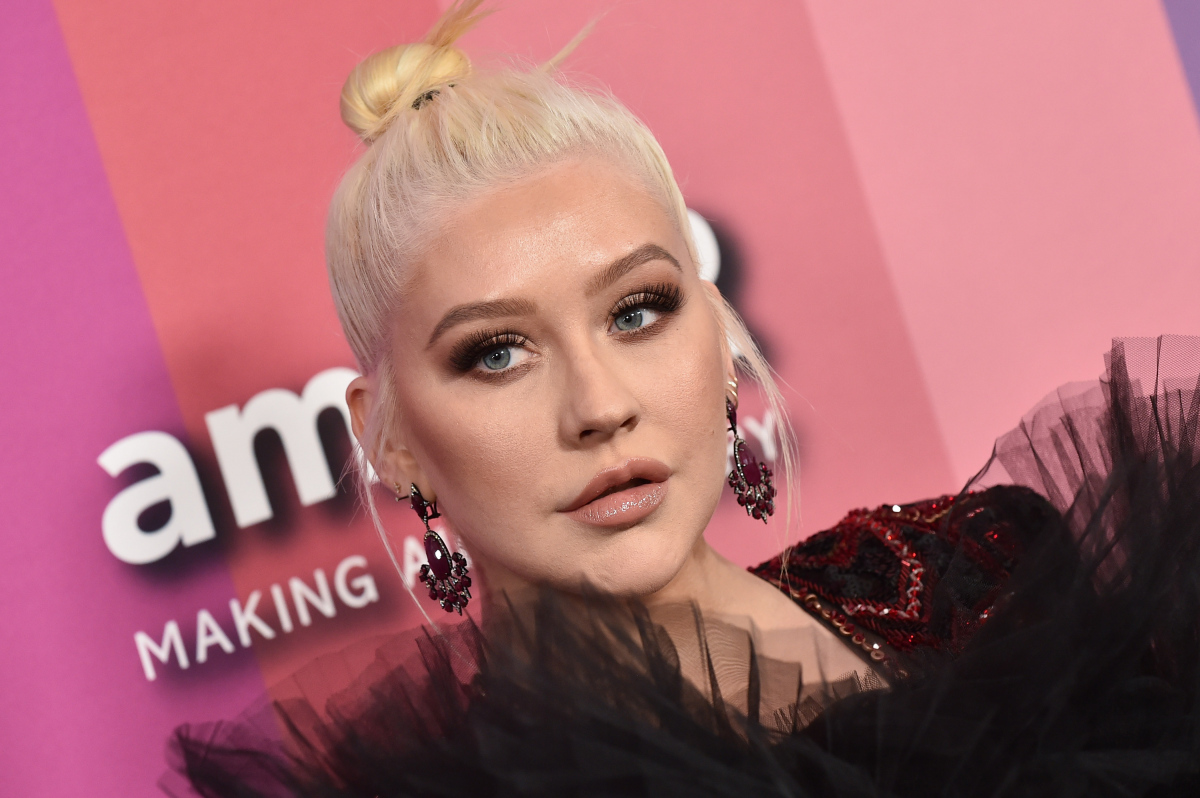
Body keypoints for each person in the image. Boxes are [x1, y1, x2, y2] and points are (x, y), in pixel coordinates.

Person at [167, 3, 1200, 795]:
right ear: (387, 439)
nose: (599, 406)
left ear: (717, 333)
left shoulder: (994, 575)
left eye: (638, 311)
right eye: (496, 354)